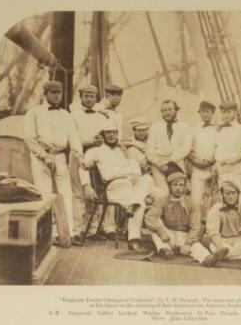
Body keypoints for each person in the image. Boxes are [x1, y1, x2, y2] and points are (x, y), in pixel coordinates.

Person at [23, 80, 83, 246]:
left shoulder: (65, 115)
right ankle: (47, 235)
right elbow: (29, 137)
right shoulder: (34, 113)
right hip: (41, 157)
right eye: (53, 92)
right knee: (45, 194)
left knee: (66, 193)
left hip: (60, 157)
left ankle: (67, 233)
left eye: (59, 92)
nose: (57, 95)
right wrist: (44, 156)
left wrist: (79, 153)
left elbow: (73, 136)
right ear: (45, 93)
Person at [79, 121, 154, 253]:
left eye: (114, 132)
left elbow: (132, 164)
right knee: (141, 204)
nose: (112, 135)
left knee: (149, 180)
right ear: (102, 134)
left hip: (131, 184)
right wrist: (86, 185)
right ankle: (133, 240)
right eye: (108, 133)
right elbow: (83, 166)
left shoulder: (121, 150)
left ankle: (134, 204)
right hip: (115, 186)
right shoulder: (95, 151)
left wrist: (136, 174)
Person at [144, 172, 222, 267]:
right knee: (154, 230)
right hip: (167, 235)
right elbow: (150, 217)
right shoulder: (162, 200)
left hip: (184, 235)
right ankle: (165, 250)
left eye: (181, 185)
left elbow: (196, 226)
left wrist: (188, 243)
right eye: (175, 185)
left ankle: (206, 258)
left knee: (196, 246)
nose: (178, 188)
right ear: (169, 186)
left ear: (185, 187)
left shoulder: (191, 203)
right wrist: (161, 231)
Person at [70, 84, 107, 241]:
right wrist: (87, 144)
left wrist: (101, 140)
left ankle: (91, 230)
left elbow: (105, 135)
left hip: (95, 157)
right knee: (78, 193)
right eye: (86, 96)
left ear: (96, 98)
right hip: (78, 155)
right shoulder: (74, 116)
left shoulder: (101, 117)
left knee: (95, 192)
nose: (89, 99)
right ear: (81, 97)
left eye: (92, 96)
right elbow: (73, 138)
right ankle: (76, 230)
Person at [146, 99, 193, 194]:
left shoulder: (185, 127)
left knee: (179, 193)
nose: (167, 113)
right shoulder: (155, 127)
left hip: (176, 162)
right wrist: (158, 163)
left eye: (170, 109)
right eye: (164, 110)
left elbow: (186, 148)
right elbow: (150, 149)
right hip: (158, 165)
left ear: (176, 110)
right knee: (163, 193)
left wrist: (169, 162)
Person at [214, 101, 241, 186]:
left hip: (236, 169)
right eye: (223, 112)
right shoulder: (218, 130)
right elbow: (216, 148)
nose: (226, 115)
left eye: (229, 112)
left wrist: (235, 159)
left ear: (235, 113)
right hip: (221, 169)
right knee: (223, 194)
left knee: (236, 194)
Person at [188, 101, 218, 211]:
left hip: (213, 169)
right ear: (199, 113)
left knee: (213, 201)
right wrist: (197, 162)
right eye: (203, 112)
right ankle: (196, 227)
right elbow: (187, 150)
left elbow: (220, 148)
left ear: (212, 113)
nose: (205, 114)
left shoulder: (218, 129)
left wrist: (212, 161)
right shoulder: (193, 130)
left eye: (208, 112)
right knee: (196, 200)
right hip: (198, 169)